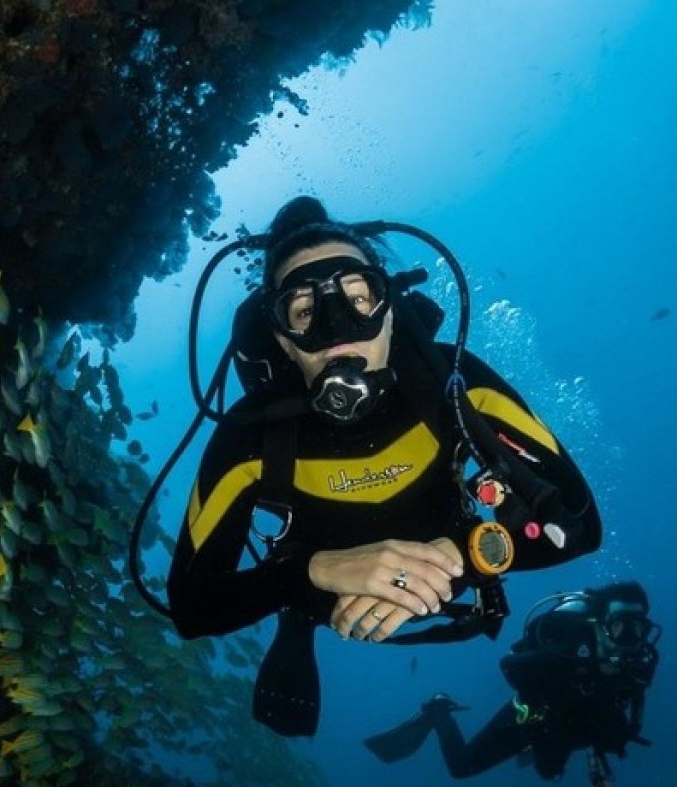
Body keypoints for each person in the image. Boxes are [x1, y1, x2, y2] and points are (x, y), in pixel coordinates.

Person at [164, 196, 602, 736]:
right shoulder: (249, 436)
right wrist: (309, 573)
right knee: (295, 599)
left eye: (358, 297)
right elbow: (191, 606)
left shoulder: (457, 383)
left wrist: (464, 555)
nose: (335, 328)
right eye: (303, 311)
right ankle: (296, 619)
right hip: (319, 591)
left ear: (390, 307)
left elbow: (581, 523)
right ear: (281, 337)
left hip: (457, 560)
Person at [365, 582, 660, 787]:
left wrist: (615, 735)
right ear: (600, 625)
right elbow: (510, 665)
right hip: (532, 718)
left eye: (639, 629)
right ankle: (438, 712)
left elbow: (631, 704)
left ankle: (546, 749)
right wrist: (539, 707)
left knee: (548, 773)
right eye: (621, 626)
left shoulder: (641, 663)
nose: (630, 639)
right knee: (461, 767)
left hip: (576, 725)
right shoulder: (569, 649)